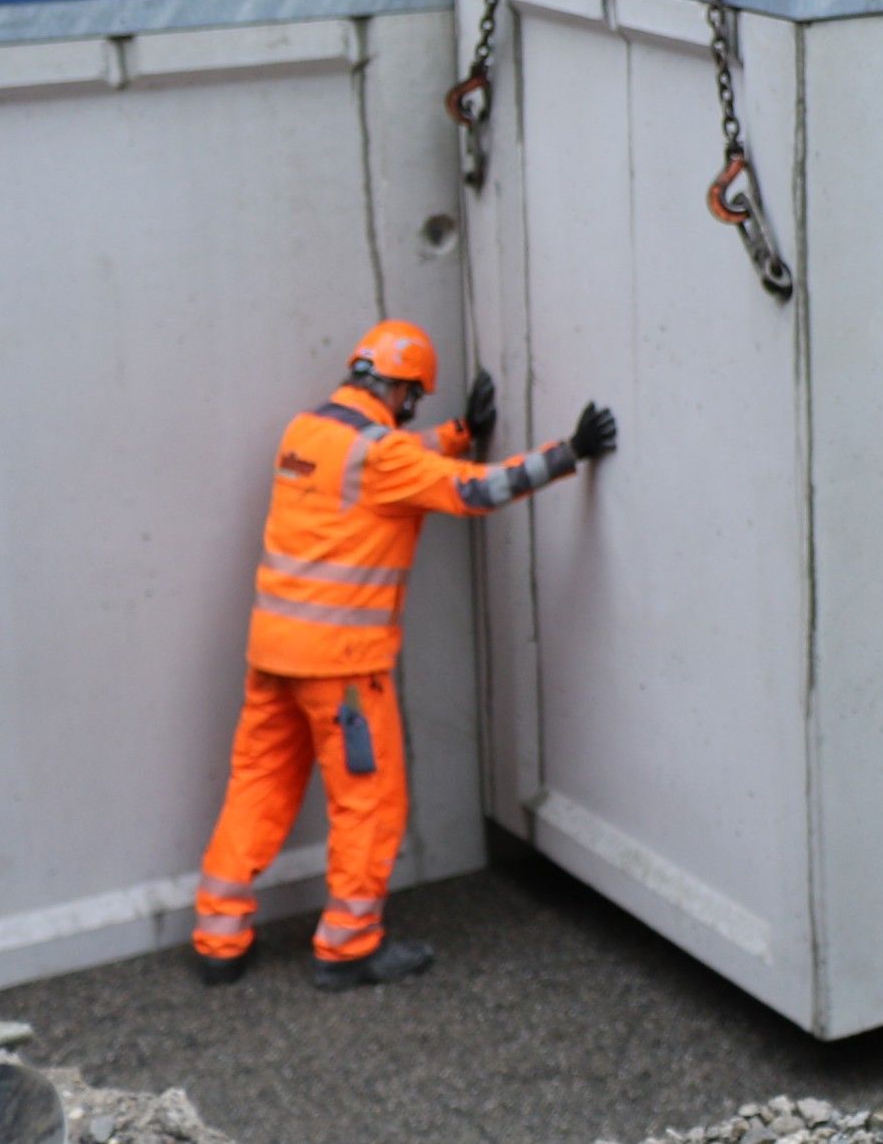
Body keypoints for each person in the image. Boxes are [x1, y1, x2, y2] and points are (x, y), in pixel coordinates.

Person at [188, 322, 619, 990]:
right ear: (401, 388)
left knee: (257, 787)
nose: (412, 409)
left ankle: (218, 936)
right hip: (342, 671)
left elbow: (384, 461)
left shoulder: (304, 432)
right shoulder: (382, 456)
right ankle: (349, 945)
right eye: (414, 397)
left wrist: (453, 434)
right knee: (369, 803)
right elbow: (474, 490)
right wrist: (568, 452)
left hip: (272, 653)